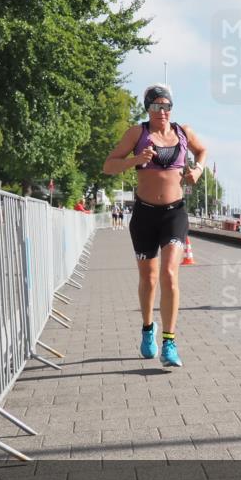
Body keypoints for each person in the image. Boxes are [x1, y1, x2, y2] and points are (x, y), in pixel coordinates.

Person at [103, 84, 207, 367]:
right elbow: (108, 165)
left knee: (169, 274)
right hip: (144, 215)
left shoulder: (183, 132)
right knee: (148, 279)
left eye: (167, 106)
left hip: (175, 214)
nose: (162, 111)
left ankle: (169, 342)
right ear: (147, 108)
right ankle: (148, 329)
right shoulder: (137, 134)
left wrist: (198, 170)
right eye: (156, 106)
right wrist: (136, 160)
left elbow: (202, 151)